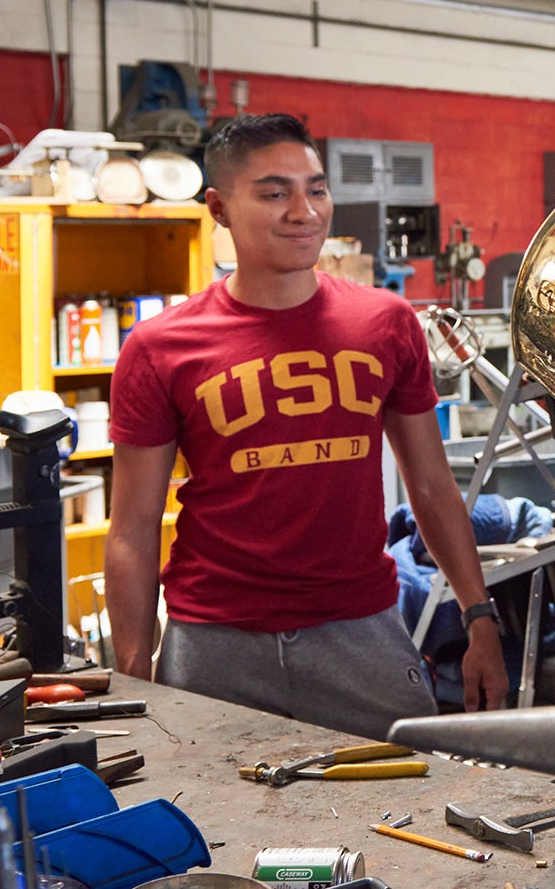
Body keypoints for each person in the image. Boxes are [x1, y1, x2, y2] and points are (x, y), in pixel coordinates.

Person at [104, 113, 508, 739]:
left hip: (360, 630)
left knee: (405, 807)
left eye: (316, 189)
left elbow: (430, 486)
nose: (304, 211)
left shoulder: (385, 322)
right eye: (274, 193)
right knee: (210, 822)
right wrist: (131, 669)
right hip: (215, 640)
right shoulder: (161, 348)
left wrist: (478, 614)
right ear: (218, 207)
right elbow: (132, 526)